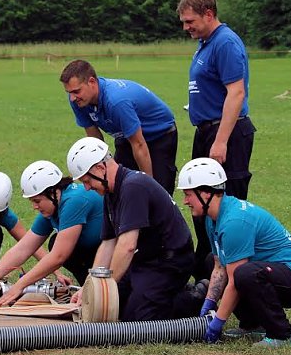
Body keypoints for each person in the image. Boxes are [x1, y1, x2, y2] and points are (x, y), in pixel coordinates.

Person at [177, 158, 291, 347]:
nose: (185, 201)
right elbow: (219, 266)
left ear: (206, 193)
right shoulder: (213, 218)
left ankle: (282, 334)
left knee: (244, 274)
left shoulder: (234, 222)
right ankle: (253, 324)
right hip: (274, 271)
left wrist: (216, 324)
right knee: (212, 260)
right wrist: (208, 305)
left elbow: (235, 281)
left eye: (188, 195)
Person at [67, 137, 196, 321]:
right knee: (113, 308)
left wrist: (105, 290)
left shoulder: (132, 187)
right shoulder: (110, 193)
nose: (86, 188)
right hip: (145, 260)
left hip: (170, 262)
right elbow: (108, 243)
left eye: (87, 181)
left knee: (137, 319)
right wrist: (90, 288)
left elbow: (127, 245)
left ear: (100, 168)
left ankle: (192, 298)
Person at [177, 0, 256, 280]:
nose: (186, 28)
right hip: (207, 131)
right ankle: (207, 274)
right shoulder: (206, 42)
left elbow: (236, 93)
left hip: (228, 135)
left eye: (190, 21)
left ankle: (233, 275)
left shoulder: (225, 43)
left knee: (224, 206)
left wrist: (221, 140)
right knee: (200, 203)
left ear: (208, 14)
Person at [0, 160, 103, 306]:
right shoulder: (52, 208)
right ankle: (89, 291)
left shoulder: (74, 201)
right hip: (95, 252)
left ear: (53, 192)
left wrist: (19, 286)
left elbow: (58, 256)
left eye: (37, 201)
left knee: (58, 244)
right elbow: (22, 249)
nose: (34, 207)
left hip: (112, 255)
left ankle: (93, 291)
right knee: (56, 241)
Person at [60, 59, 178, 195]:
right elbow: (95, 141)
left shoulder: (116, 101)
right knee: (118, 186)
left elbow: (139, 144)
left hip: (159, 135)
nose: (73, 97)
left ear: (92, 82)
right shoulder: (78, 101)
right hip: (125, 135)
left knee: (158, 192)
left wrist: (148, 187)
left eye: (76, 91)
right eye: (69, 92)